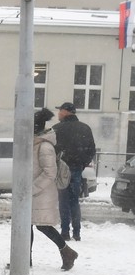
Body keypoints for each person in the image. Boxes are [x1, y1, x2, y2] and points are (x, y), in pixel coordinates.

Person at [34, 108, 79, 270]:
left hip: (41, 192)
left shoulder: (44, 146)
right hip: (37, 192)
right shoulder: (37, 142)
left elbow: (50, 172)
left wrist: (32, 188)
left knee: (41, 225)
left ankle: (67, 252)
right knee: (28, 225)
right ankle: (25, 259)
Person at [52, 102, 96, 241]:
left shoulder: (57, 129)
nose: (58, 113)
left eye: (60, 111)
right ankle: (77, 232)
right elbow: (91, 150)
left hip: (62, 168)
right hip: (77, 168)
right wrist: (82, 164)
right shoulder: (85, 128)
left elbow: (52, 149)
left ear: (66, 112)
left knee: (63, 200)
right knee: (74, 201)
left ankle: (65, 231)